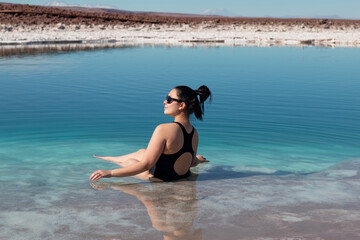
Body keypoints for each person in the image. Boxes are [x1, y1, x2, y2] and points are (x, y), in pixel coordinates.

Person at [89, 85, 212, 182]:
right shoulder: (194, 133)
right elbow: (190, 162)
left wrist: (110, 173)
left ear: (181, 105)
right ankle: (108, 158)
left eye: (169, 100)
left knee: (129, 162)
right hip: (181, 176)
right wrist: (198, 160)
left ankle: (110, 160)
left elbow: (145, 165)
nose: (164, 102)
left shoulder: (163, 129)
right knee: (142, 152)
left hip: (160, 180)